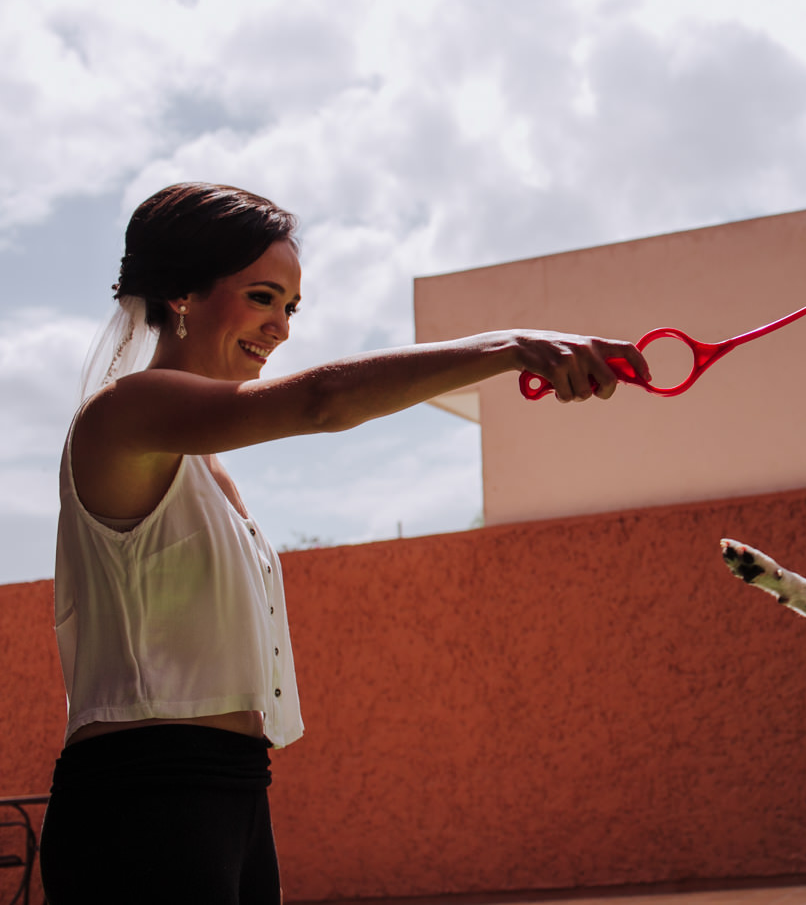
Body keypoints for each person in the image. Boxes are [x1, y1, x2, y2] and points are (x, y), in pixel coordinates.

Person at [39, 182, 648, 904]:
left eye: (291, 307)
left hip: (234, 790)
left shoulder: (203, 464)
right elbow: (320, 401)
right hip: (144, 800)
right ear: (180, 292)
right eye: (263, 297)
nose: (282, 328)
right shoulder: (124, 413)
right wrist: (511, 347)